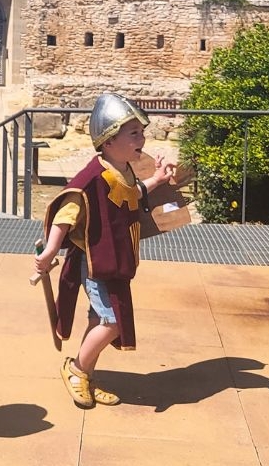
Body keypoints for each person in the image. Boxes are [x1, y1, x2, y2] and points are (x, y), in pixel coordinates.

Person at [34, 92, 176, 409]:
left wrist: (157, 179)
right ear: (109, 141)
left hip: (114, 260)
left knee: (99, 319)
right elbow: (66, 214)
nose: (142, 137)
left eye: (141, 131)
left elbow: (132, 193)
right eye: (134, 133)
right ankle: (76, 370)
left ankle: (87, 375)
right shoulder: (92, 177)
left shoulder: (122, 170)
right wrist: (51, 250)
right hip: (96, 262)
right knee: (112, 322)